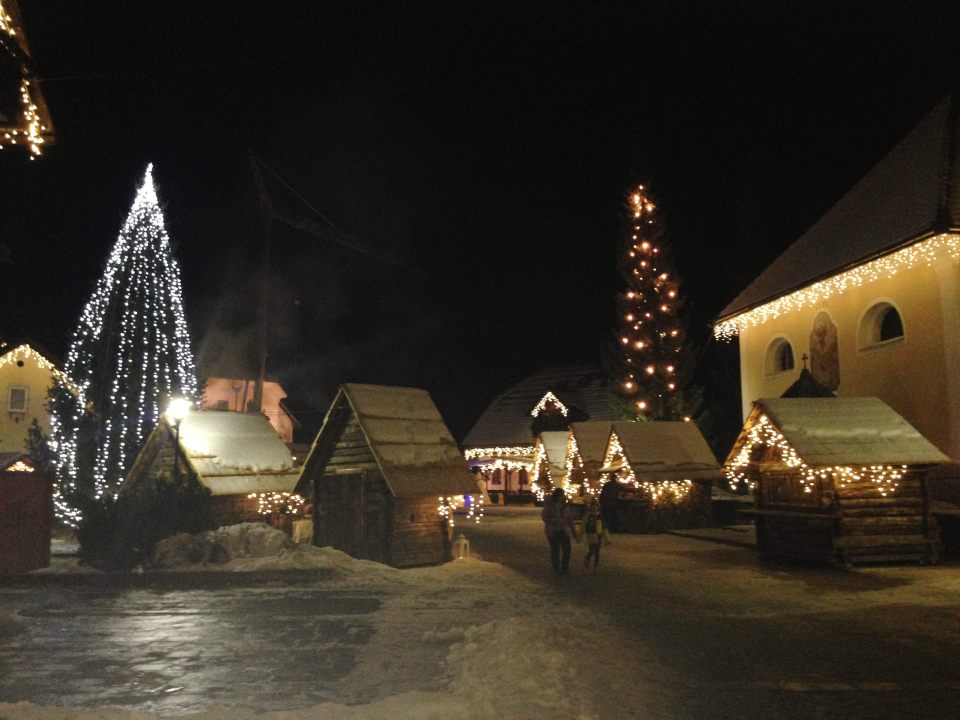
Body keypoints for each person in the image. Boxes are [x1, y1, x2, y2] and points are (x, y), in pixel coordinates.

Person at [541, 488, 577, 574]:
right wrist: (554, 520)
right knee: (555, 550)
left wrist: (574, 531)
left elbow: (570, 519)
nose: (562, 497)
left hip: (564, 530)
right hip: (553, 531)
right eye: (561, 495)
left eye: (563, 495)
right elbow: (544, 517)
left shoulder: (566, 506)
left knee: (567, 550)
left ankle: (565, 567)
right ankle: (556, 568)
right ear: (556, 496)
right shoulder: (549, 505)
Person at [582, 498, 607, 573]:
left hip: (598, 535)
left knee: (597, 551)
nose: (594, 507)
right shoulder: (588, 516)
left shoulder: (600, 516)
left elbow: (604, 526)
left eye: (596, 506)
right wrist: (582, 534)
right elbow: (584, 525)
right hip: (590, 535)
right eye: (593, 506)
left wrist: (606, 536)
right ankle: (587, 557)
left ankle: (595, 567)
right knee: (592, 550)